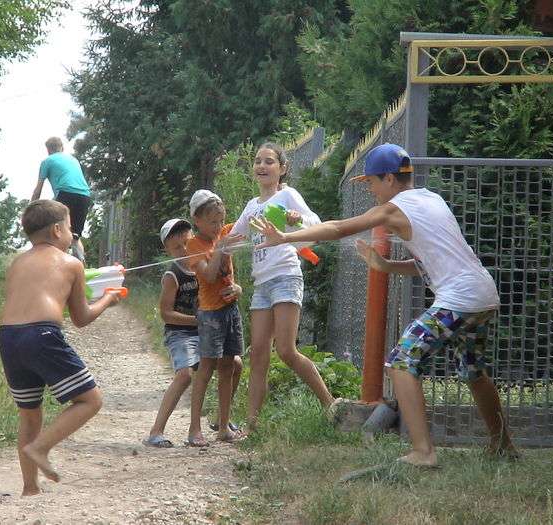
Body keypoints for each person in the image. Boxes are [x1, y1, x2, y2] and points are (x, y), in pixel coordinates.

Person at [254, 143, 518, 467]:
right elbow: (432, 260)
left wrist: (285, 237)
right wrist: (387, 266)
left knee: (401, 361)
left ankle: (423, 452)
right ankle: (502, 444)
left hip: (460, 299)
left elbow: (338, 227)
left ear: (390, 179)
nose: (371, 189)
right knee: (474, 371)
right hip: (483, 295)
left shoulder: (395, 208)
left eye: (372, 182)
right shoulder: (430, 199)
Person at [0, 199, 121, 495]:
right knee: (91, 400)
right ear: (56, 230)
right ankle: (40, 448)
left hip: (8, 336)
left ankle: (30, 488)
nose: (72, 236)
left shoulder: (17, 263)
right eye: (70, 229)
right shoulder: (72, 263)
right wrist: (108, 298)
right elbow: (82, 318)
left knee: (29, 414)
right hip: (42, 335)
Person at [230, 142, 335, 431]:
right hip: (262, 283)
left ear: (282, 168)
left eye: (269, 161)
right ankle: (251, 425)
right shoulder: (252, 206)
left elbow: (315, 223)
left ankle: (331, 405)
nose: (261, 166)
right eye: (257, 161)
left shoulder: (288, 195)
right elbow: (234, 237)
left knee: (287, 351)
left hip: (286, 277)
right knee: (259, 353)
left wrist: (297, 219)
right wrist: (210, 246)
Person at [186, 190, 245, 446]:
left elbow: (231, 274)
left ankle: (223, 427)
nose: (219, 226)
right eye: (213, 222)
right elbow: (209, 276)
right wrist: (220, 248)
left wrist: (238, 288)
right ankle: (194, 428)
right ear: (197, 220)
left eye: (221, 221)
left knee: (228, 367)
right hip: (210, 314)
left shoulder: (224, 235)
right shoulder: (194, 245)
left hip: (231, 310)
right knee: (206, 369)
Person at [31, 137, 91, 263]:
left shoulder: (47, 161)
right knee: (75, 236)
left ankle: (60, 268)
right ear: (62, 147)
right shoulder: (73, 159)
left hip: (65, 193)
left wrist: (30, 211)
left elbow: (38, 190)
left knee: (58, 234)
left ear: (48, 150)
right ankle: (81, 268)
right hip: (84, 196)